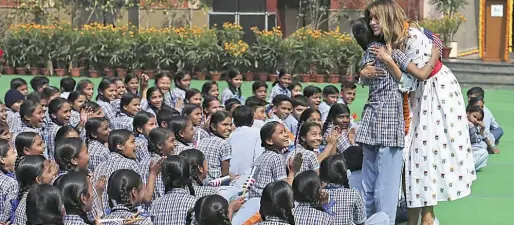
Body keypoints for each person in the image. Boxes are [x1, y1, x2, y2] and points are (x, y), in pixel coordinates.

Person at [362, 1, 475, 224]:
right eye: (370, 19)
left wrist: (435, 53)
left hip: (433, 93)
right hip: (412, 96)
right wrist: (363, 73)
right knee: (413, 156)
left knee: (425, 154)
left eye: (376, 18)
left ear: (388, 17)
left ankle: (427, 217)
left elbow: (416, 77)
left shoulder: (409, 36)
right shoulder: (386, 43)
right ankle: (418, 217)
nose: (372, 22)